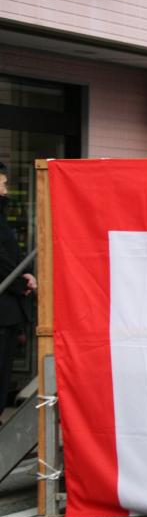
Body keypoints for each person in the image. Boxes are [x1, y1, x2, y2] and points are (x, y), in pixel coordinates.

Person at [0, 164, 35, 406]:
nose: (5, 190)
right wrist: (22, 281)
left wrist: (27, 275)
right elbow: (3, 259)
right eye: (1, 185)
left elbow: (13, 254)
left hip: (9, 310)